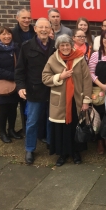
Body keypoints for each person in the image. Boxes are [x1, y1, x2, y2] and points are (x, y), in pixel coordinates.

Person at [42, 34, 92, 166]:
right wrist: (60, 76)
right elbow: (45, 78)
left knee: (75, 127)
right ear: (58, 47)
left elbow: (87, 80)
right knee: (61, 129)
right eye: (62, 45)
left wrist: (86, 101)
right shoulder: (53, 59)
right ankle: (62, 154)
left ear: (71, 45)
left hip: (76, 100)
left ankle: (76, 153)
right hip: (60, 102)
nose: (65, 47)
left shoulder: (80, 58)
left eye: (67, 45)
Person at [15, 18, 56, 165]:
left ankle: (51, 143)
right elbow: (19, 70)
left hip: (53, 90)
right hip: (34, 90)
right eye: (41, 27)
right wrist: (20, 87)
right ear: (36, 29)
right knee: (32, 122)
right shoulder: (26, 47)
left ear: (51, 29)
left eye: (47, 27)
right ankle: (30, 149)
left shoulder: (55, 46)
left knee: (52, 119)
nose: (44, 30)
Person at [0, 26, 22, 143]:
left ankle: (11, 130)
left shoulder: (15, 47)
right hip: (2, 83)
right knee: (3, 110)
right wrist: (13, 75)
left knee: (13, 108)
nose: (7, 36)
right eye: (3, 34)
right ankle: (2, 132)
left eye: (8, 34)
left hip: (15, 83)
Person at [11, 8, 35, 135]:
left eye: (28, 18)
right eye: (23, 18)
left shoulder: (34, 31)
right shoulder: (12, 33)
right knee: (23, 103)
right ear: (17, 18)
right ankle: (26, 129)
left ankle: (36, 129)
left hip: (33, 71)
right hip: (21, 70)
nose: (26, 20)